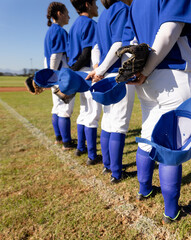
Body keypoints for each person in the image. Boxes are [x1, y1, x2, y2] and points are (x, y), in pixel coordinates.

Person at [121, 0, 191, 224]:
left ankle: (145, 189)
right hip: (173, 72)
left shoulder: (135, 4)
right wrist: (146, 69)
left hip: (146, 79)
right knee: (171, 145)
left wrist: (138, 71)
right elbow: (169, 30)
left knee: (147, 133)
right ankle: (172, 211)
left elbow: (129, 46)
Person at [86, 0, 135, 183]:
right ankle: (116, 172)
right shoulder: (122, 9)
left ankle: (108, 166)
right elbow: (118, 45)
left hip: (106, 74)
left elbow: (96, 48)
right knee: (119, 124)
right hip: (118, 74)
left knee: (108, 121)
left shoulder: (103, 15)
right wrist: (100, 70)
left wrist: (98, 68)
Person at [67, 0, 102, 165]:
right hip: (88, 71)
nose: (97, 6)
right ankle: (92, 156)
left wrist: (72, 71)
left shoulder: (74, 25)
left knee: (84, 111)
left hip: (79, 72)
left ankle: (81, 147)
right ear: (87, 4)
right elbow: (88, 52)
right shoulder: (89, 23)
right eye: (94, 3)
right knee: (92, 114)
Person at [44, 2, 76, 151]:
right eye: (66, 13)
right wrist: (53, 75)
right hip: (60, 76)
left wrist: (49, 77)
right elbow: (55, 56)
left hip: (54, 76)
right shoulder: (59, 31)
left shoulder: (50, 31)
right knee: (64, 109)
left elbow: (49, 57)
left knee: (57, 108)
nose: (69, 16)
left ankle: (59, 138)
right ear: (59, 14)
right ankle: (67, 143)